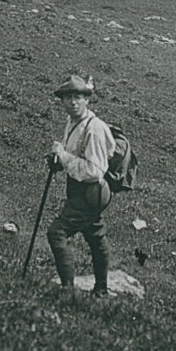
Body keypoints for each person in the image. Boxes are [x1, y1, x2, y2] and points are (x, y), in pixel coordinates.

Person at [45, 74, 117, 298]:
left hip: (91, 191)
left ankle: (67, 290)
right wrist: (59, 160)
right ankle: (101, 289)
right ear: (62, 101)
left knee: (57, 233)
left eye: (78, 97)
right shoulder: (73, 121)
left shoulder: (93, 129)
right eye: (67, 98)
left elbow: (94, 172)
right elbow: (75, 156)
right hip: (79, 188)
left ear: (87, 99)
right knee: (95, 234)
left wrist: (64, 157)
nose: (72, 102)